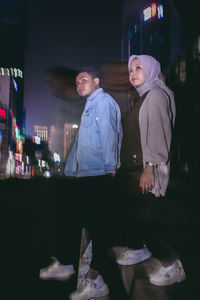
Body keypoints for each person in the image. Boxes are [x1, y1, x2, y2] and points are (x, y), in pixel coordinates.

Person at [41, 67, 123, 299]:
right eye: (77, 82)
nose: (79, 85)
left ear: (96, 81)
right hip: (85, 174)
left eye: (83, 80)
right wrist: (70, 169)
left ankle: (98, 280)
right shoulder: (89, 105)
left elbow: (109, 135)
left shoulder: (102, 102)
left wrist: (109, 167)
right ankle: (74, 267)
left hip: (97, 173)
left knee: (98, 226)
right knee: (83, 221)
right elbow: (80, 143)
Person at [113, 54, 186, 287]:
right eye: (131, 69)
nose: (133, 72)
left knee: (146, 220)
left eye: (139, 68)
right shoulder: (141, 97)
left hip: (146, 168)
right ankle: (139, 248)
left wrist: (150, 167)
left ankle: (172, 263)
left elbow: (158, 133)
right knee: (130, 214)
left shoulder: (155, 96)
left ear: (152, 70)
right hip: (132, 169)